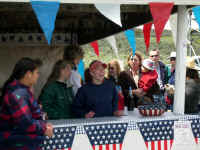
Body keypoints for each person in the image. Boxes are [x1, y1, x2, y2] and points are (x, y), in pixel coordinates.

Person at [0, 57, 53, 150]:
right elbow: (25, 122)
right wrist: (44, 128)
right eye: (37, 73)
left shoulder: (23, 91)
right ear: (28, 74)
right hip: (17, 144)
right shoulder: (17, 93)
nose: (38, 76)